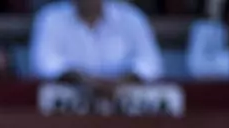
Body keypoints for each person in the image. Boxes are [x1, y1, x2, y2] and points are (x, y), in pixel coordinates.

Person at [29, 0, 163, 94]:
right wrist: (84, 81)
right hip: (69, 107)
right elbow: (45, 64)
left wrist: (121, 83)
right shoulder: (51, 18)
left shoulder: (131, 18)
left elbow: (152, 64)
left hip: (125, 100)